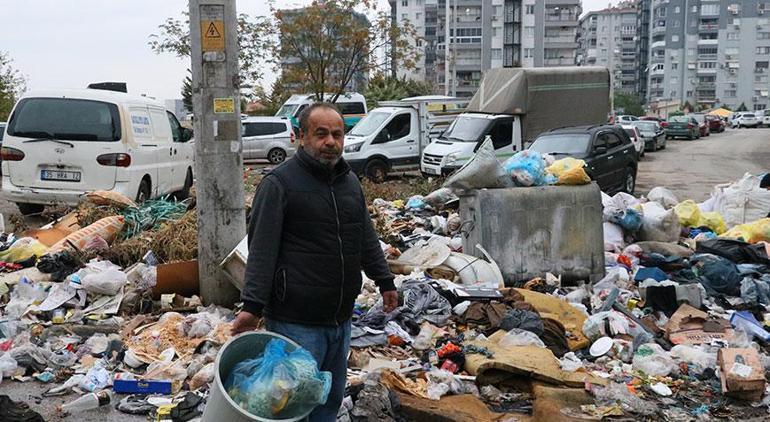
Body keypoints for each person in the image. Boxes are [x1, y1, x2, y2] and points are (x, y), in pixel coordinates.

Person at [231, 102, 398, 421]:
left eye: (337, 134)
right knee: (293, 406)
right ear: (301, 136)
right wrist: (251, 307)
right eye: (321, 134)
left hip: (340, 319)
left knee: (329, 400)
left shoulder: (349, 183)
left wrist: (385, 280)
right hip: (296, 321)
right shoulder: (279, 184)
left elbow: (365, 236)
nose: (331, 141)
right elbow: (262, 251)